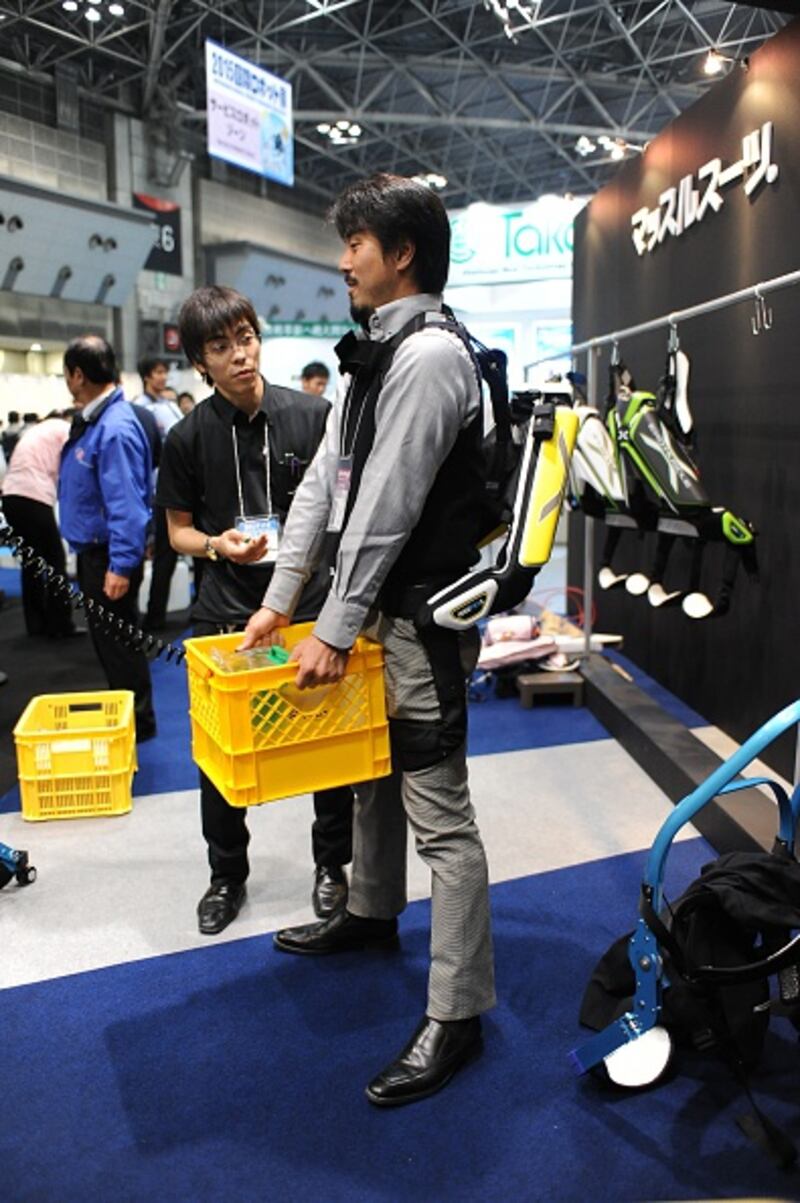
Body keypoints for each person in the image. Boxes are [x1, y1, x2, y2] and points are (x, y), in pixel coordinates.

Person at [241, 173, 495, 1108]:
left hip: (421, 617)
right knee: (373, 767)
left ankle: (459, 1011)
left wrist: (336, 625)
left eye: (357, 242)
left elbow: (386, 505)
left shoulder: (430, 358)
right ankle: (370, 910)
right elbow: (325, 487)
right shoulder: (374, 354)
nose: (342, 257)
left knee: (440, 807)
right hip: (380, 611)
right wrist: (281, 599)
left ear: (404, 257)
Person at [156, 285, 354, 935]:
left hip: (310, 607)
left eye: (245, 337)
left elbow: (341, 508)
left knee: (331, 747)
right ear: (200, 363)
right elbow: (178, 530)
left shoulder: (313, 415)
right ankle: (226, 876)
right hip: (225, 615)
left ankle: (333, 866)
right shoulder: (186, 436)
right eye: (220, 346)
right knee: (221, 756)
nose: (239, 354)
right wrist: (216, 544)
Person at [59, 335, 157, 742]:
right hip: (97, 553)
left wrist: (120, 565)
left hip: (107, 558)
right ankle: (131, 714)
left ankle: (138, 721)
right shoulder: (99, 421)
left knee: (119, 644)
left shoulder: (114, 428)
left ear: (78, 375)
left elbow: (126, 505)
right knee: (113, 643)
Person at [1, 409, 82, 638]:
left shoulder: (37, 431)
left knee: (32, 563)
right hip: (34, 496)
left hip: (11, 496)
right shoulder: (64, 430)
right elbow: (75, 471)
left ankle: (35, 624)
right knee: (55, 560)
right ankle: (60, 623)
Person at [135, 356, 182, 631]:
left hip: (182, 487)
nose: (162, 377)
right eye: (158, 372)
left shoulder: (170, 406)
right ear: (146, 376)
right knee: (163, 556)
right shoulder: (139, 409)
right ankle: (154, 616)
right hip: (157, 492)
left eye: (164, 372)